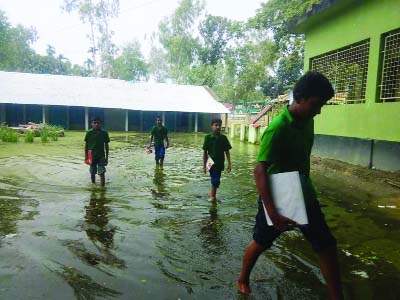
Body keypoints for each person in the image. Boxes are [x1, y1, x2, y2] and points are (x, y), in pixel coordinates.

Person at [237, 71, 344, 300]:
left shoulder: (308, 121)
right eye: (317, 104)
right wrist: (273, 212)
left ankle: (337, 297)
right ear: (301, 97)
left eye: (322, 105)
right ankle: (243, 278)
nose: (319, 110)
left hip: (304, 191)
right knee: (262, 241)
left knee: (325, 244)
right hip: (277, 194)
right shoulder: (278, 128)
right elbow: (259, 170)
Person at [202, 118, 232, 201]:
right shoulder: (208, 137)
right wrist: (204, 166)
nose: (218, 127)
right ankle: (212, 196)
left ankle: (213, 195)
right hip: (210, 162)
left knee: (216, 179)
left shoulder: (223, 138)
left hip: (220, 162)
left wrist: (229, 164)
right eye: (216, 125)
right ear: (212, 126)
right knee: (215, 180)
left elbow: (227, 152)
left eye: (219, 125)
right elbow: (205, 152)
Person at [84, 117, 110, 186]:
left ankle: (102, 190)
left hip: (101, 156)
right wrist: (86, 157)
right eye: (94, 123)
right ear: (91, 124)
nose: (96, 124)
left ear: (101, 124)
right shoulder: (89, 133)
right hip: (91, 156)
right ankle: (93, 185)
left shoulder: (104, 133)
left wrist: (106, 158)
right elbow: (86, 145)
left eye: (98, 123)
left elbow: (106, 146)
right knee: (92, 172)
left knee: (101, 172)